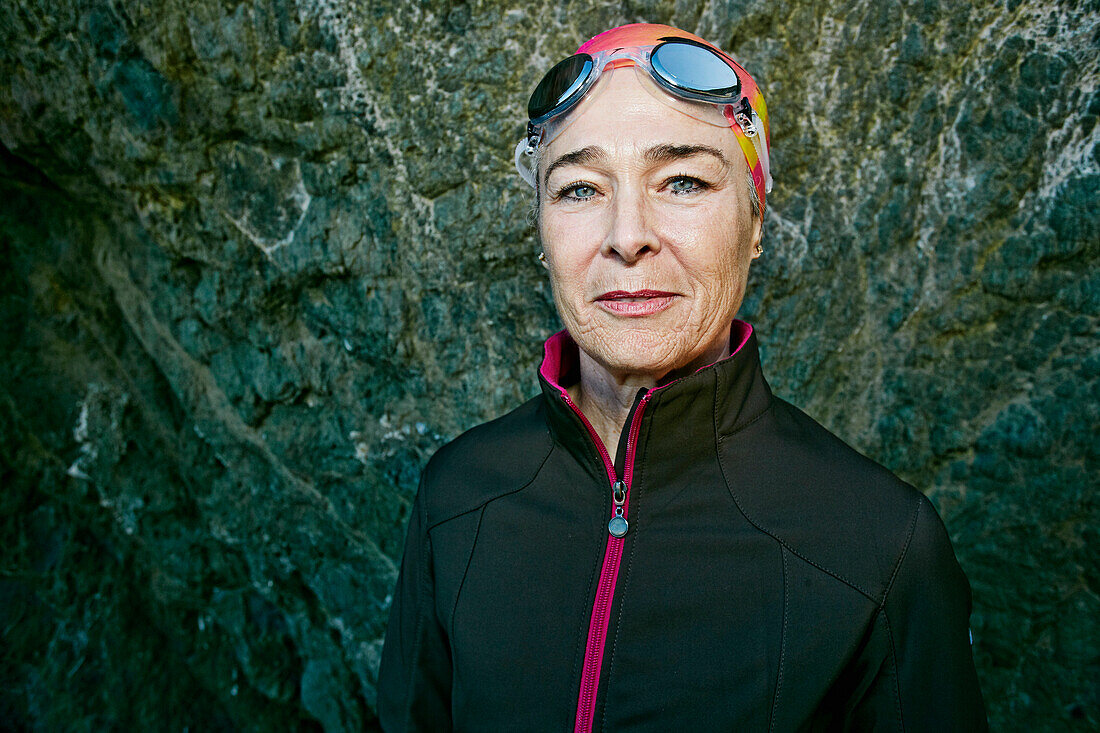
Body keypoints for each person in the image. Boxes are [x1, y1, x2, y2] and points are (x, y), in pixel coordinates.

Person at [377, 22, 987, 731]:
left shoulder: (885, 545)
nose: (626, 233)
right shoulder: (457, 495)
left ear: (755, 222)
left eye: (684, 180)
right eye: (579, 189)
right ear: (540, 233)